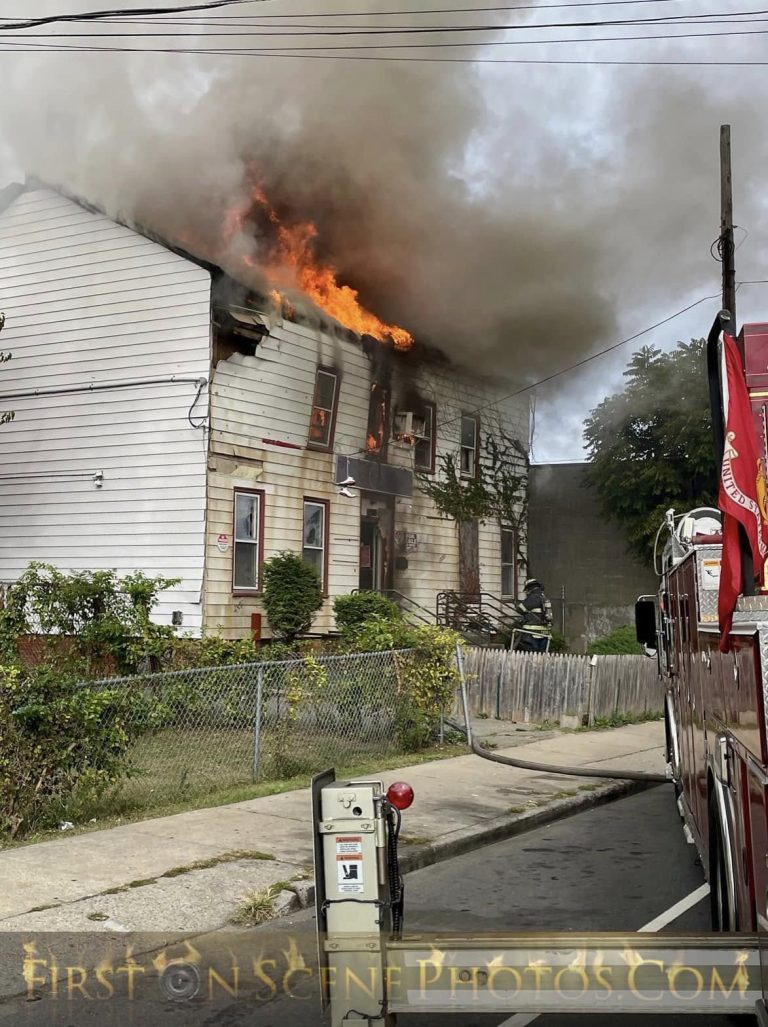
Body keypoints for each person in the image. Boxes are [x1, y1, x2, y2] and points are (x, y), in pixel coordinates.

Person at [513, 578, 552, 652]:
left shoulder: (533, 597)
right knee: (541, 657)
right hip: (545, 634)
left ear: (530, 588)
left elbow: (520, 609)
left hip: (531, 633)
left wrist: (517, 604)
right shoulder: (544, 598)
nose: (527, 592)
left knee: (530, 657)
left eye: (527, 590)